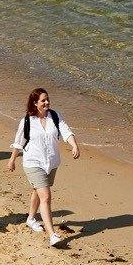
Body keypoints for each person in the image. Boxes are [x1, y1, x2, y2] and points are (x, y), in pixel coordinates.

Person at [9, 87, 79, 248]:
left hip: (51, 163)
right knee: (46, 196)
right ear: (35, 103)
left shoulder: (54, 116)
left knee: (38, 191)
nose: (47, 102)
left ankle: (31, 219)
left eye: (47, 99)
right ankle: (52, 234)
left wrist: (74, 145)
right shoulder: (27, 121)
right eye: (43, 100)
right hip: (33, 162)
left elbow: (66, 131)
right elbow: (19, 142)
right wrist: (12, 159)